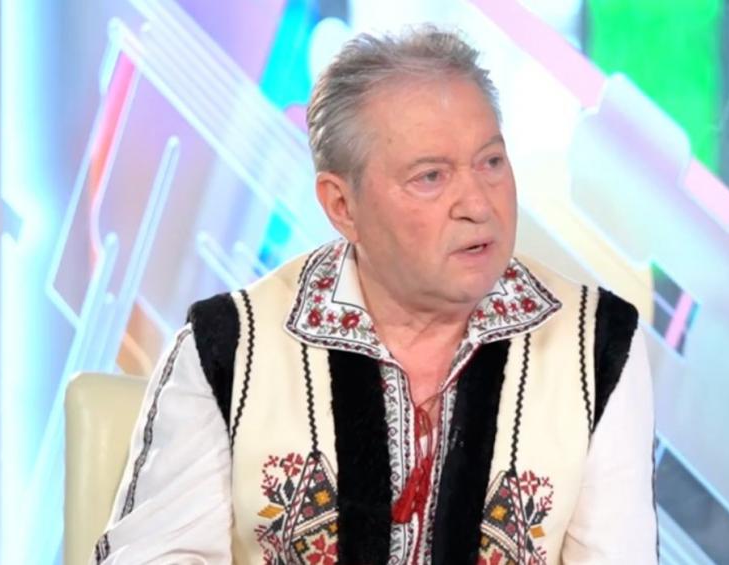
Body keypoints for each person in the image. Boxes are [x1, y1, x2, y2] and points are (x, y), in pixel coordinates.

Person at [93, 25, 657, 565]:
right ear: (342, 206)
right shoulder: (229, 346)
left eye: (491, 162)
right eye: (431, 176)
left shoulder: (597, 344)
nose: (478, 204)